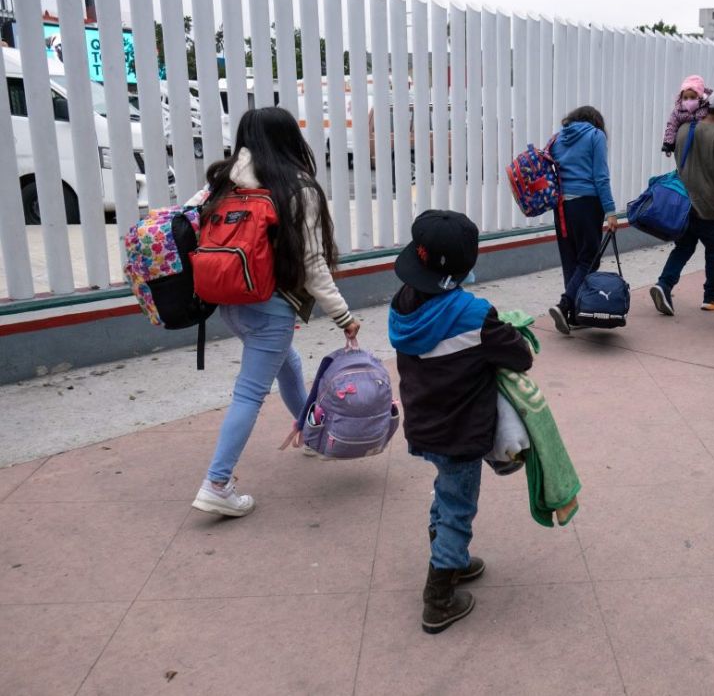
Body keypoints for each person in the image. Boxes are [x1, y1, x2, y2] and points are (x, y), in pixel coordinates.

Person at [191, 107, 359, 518]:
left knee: (288, 361)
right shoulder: (297, 188)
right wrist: (344, 317)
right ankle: (217, 482)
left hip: (231, 303)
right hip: (271, 309)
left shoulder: (222, 182)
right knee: (249, 392)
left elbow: (187, 222)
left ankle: (314, 433)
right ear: (290, 139)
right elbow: (314, 265)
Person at [388, 210, 534, 634]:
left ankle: (451, 558)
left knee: (446, 493)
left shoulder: (403, 306)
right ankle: (438, 598)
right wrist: (510, 331)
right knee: (457, 508)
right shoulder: (474, 315)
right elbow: (519, 357)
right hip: (460, 434)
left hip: (425, 428)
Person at [649, 87, 714, 316]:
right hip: (712, 208)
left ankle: (664, 284)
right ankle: (712, 295)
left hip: (683, 205)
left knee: (683, 247)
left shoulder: (684, 130)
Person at [547, 106, 618, 335]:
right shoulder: (595, 136)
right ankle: (565, 303)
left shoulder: (557, 138)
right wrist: (610, 211)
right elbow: (601, 176)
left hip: (561, 207)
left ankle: (573, 315)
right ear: (596, 121)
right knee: (589, 259)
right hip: (587, 203)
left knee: (571, 259)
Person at [660, 75, 711, 156]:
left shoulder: (707, 108)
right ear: (681, 98)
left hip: (705, 147)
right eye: (685, 98)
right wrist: (668, 143)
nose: (688, 101)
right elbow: (671, 126)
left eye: (692, 97)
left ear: (700, 97)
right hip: (687, 150)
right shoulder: (679, 111)